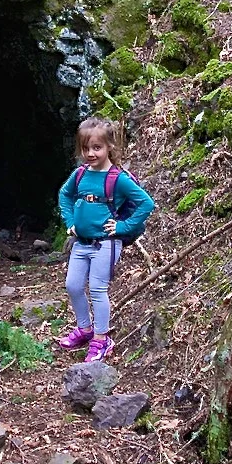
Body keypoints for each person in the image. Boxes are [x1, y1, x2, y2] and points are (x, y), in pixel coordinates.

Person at [57, 117, 154, 362]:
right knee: (73, 285)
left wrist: (123, 226)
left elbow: (146, 203)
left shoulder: (117, 178)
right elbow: (64, 195)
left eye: (96, 148)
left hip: (106, 244)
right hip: (81, 243)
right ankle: (85, 329)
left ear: (110, 146)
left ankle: (101, 339)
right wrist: (70, 223)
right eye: (85, 148)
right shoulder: (80, 175)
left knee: (98, 288)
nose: (90, 153)